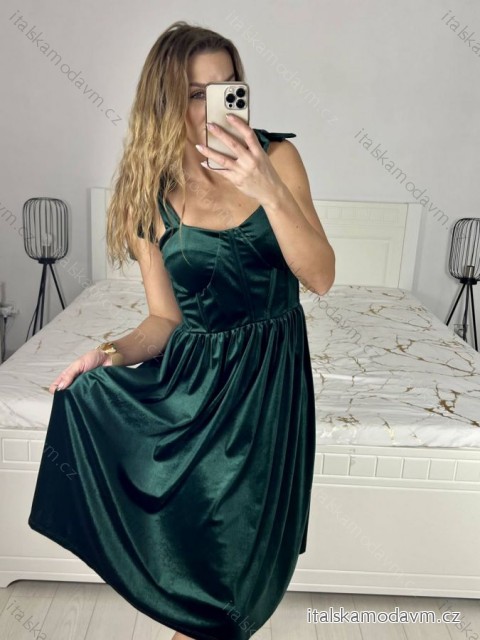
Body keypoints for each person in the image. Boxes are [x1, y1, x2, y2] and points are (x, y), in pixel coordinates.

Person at [28, 19, 335, 640]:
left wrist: (267, 188)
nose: (216, 104)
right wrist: (108, 354)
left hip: (270, 392)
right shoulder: (149, 194)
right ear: (167, 101)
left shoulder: (278, 159)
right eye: (197, 93)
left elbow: (321, 276)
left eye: (228, 86)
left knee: (236, 580)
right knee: (212, 585)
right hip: (193, 399)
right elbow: (166, 320)